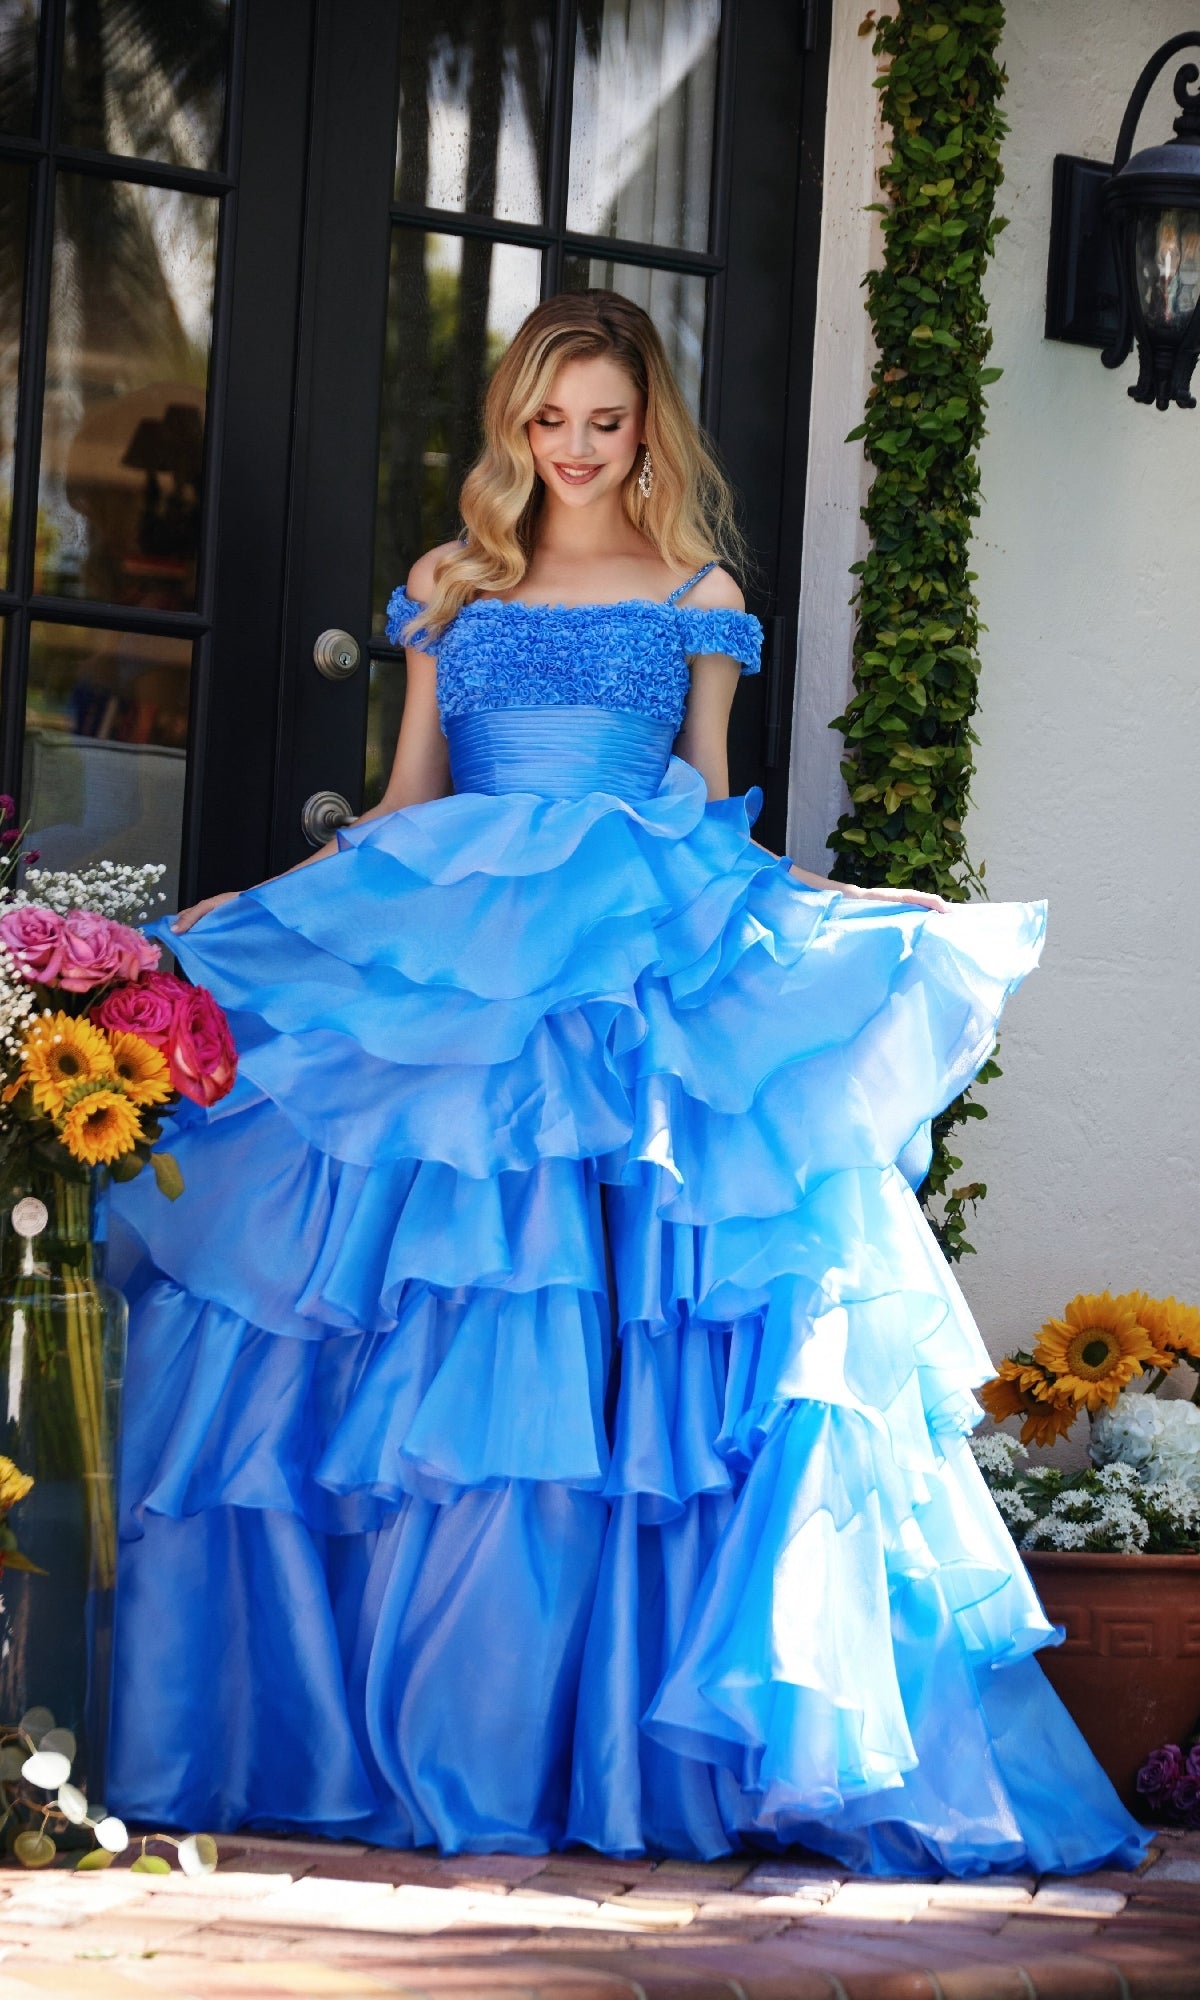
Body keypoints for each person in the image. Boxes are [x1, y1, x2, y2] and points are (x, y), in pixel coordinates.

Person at [107, 291, 1145, 1875]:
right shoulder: (453, 588)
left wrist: (860, 911)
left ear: (646, 427)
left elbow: (716, 812)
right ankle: (443, 1733)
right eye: (548, 420)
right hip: (466, 940)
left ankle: (619, 1744)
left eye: (605, 420)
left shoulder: (700, 592)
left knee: (633, 1332)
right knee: (464, 1328)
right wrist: (251, 914)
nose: (577, 448)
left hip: (631, 947)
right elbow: (399, 802)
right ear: (514, 431)